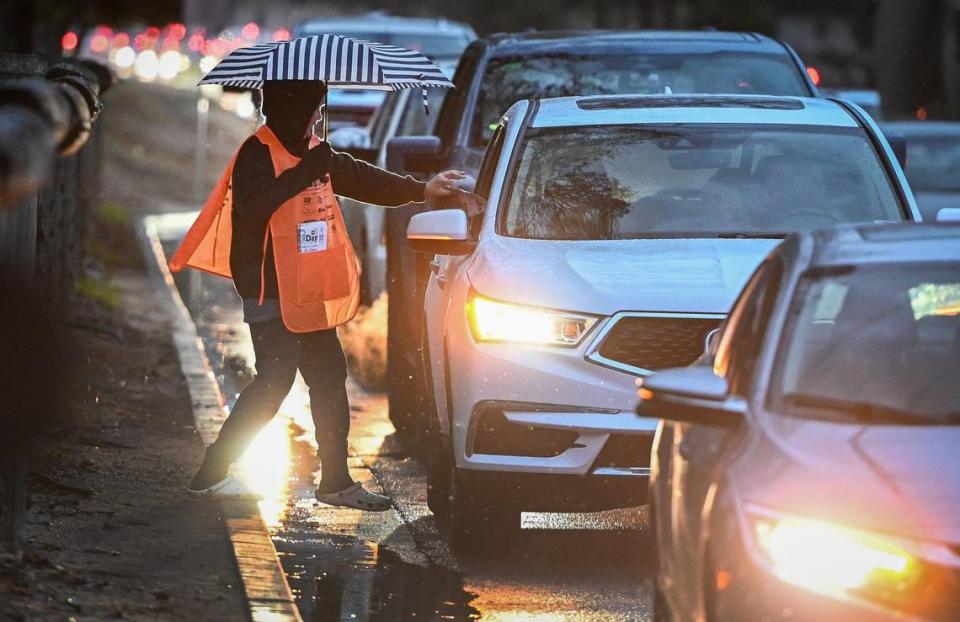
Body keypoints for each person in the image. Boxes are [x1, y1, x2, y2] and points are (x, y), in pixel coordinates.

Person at [185, 80, 463, 510]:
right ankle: (211, 474)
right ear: (294, 108)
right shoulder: (256, 153)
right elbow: (257, 205)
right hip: (271, 291)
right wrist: (304, 171)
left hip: (309, 292)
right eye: (314, 107)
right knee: (273, 384)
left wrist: (422, 190)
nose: (318, 115)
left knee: (329, 379)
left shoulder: (315, 150)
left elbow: (362, 179)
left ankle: (335, 482)